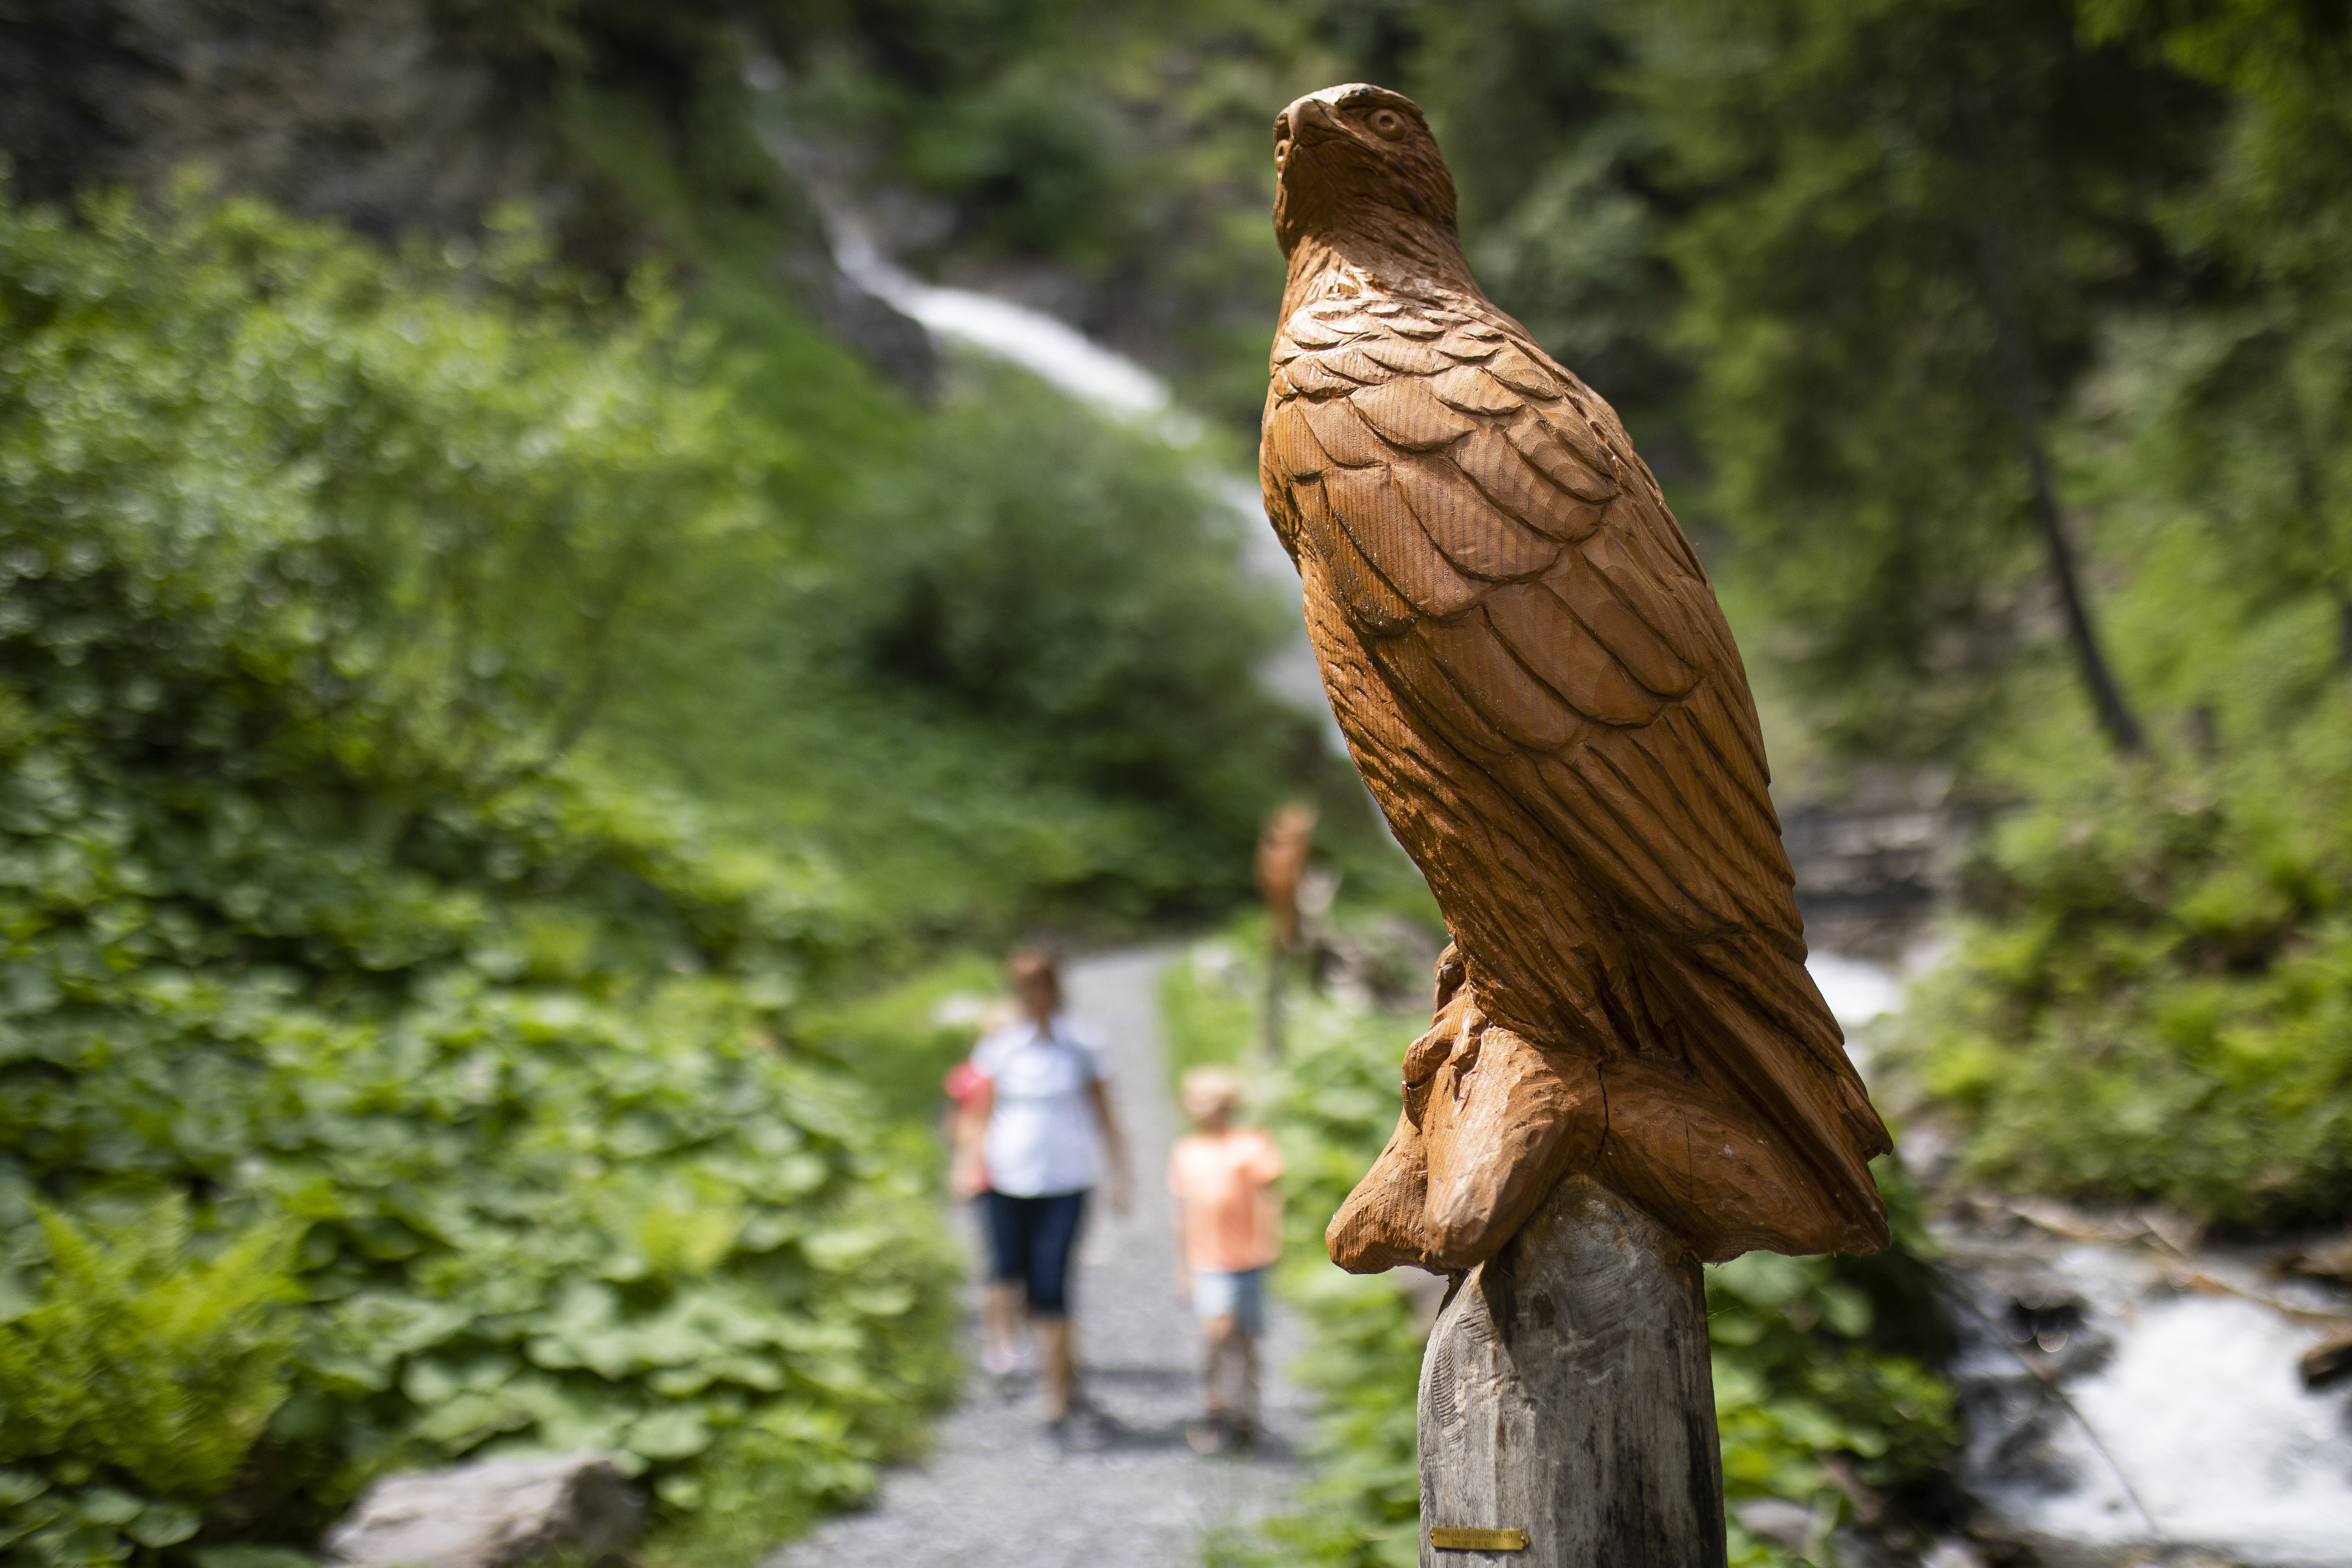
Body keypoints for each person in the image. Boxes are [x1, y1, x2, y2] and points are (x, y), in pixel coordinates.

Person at [950, 948, 1130, 1434]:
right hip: (1010, 1179)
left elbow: (1105, 1110)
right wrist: (969, 1162)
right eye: (1023, 986)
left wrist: (1120, 1173)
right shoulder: (1001, 1046)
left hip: (1066, 1179)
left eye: (1039, 985)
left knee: (1054, 1282)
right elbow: (979, 1110)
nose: (1032, 995)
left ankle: (1058, 1392)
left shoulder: (1081, 1042)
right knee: (1014, 1277)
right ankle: (1048, 1367)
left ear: (1054, 987)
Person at [1167, 1065, 1283, 1454]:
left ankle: (1246, 1409)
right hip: (1207, 1259)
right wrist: (1182, 1265)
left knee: (1245, 1337)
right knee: (1215, 1331)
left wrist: (1270, 1239)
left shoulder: (1251, 1145)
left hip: (1246, 1255)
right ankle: (1212, 1402)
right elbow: (1181, 1213)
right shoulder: (1187, 1151)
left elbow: (1269, 1198)